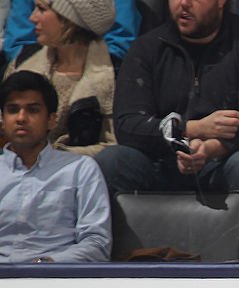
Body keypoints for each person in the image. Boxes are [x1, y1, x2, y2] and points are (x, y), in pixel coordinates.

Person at [94, 0, 239, 241]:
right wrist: (190, 130)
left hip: (224, 160)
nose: (183, 4)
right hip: (162, 160)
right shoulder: (148, 46)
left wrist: (210, 148)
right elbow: (127, 124)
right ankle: (120, 261)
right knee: (113, 161)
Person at [0, 70, 110, 262]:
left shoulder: (80, 169)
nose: (21, 118)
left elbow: (97, 243)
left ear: (51, 119)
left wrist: (49, 264)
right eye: (13, 109)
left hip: (57, 277)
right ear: (2, 119)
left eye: (33, 110)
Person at [4, 0, 116, 157]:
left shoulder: (114, 76)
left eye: (42, 9)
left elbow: (113, 147)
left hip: (78, 174)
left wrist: (56, 157)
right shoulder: (24, 61)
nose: (32, 17)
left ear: (69, 20)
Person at [4, 0, 139, 63]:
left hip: (98, 64)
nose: (32, 18)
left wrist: (77, 64)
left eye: (41, 9)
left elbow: (120, 40)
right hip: (36, 65)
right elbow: (18, 42)